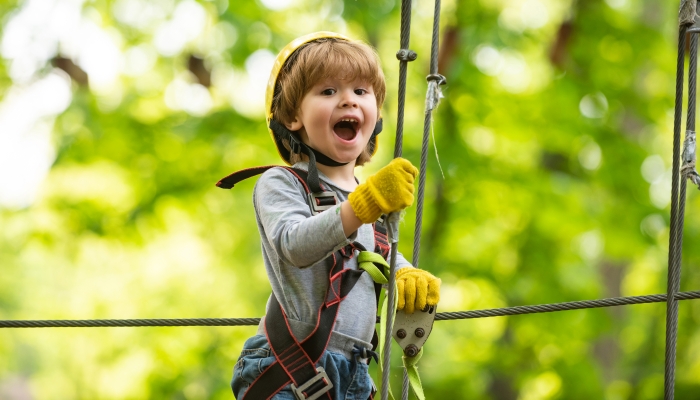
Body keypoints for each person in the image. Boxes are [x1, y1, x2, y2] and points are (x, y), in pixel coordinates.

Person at [227, 32, 441, 400]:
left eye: (361, 91)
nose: (348, 100)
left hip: (355, 371)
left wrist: (404, 272)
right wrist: (364, 205)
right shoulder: (281, 182)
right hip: (288, 367)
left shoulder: (368, 200)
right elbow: (294, 243)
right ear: (293, 117)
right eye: (328, 92)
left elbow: (374, 251)